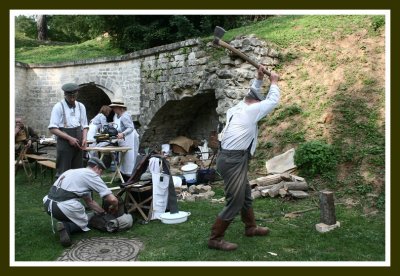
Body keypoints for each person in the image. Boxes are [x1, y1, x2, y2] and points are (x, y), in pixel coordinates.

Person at [208, 65, 280, 251]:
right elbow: (272, 100)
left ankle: (251, 228)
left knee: (245, 195)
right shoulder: (251, 110)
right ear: (255, 104)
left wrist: (258, 78)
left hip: (231, 158)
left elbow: (253, 92)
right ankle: (215, 238)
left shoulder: (239, 107)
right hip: (233, 160)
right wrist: (273, 81)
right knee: (236, 200)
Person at [42, 157, 119, 247]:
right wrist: (115, 206)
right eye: (100, 172)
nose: (100, 176)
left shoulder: (72, 171)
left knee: (76, 213)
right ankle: (67, 226)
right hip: (64, 206)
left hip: (48, 204)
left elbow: (90, 202)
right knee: (85, 222)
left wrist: (103, 212)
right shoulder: (91, 175)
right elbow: (112, 199)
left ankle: (65, 222)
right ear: (96, 168)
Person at [48, 83, 89, 178]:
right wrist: (69, 138)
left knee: (78, 171)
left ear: (77, 94)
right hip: (64, 142)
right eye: (70, 95)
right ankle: (60, 191)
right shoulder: (58, 107)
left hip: (78, 142)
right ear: (65, 94)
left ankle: (76, 191)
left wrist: (84, 138)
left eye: (74, 95)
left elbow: (85, 125)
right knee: (63, 171)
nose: (72, 98)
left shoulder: (81, 106)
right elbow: (52, 128)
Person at [109, 99, 139, 181]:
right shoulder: (116, 116)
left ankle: (131, 177)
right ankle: (123, 176)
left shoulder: (125, 115)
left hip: (130, 138)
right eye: (113, 107)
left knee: (130, 157)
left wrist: (123, 134)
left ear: (120, 108)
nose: (113, 109)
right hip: (123, 139)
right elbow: (119, 125)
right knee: (123, 158)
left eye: (115, 107)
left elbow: (130, 128)